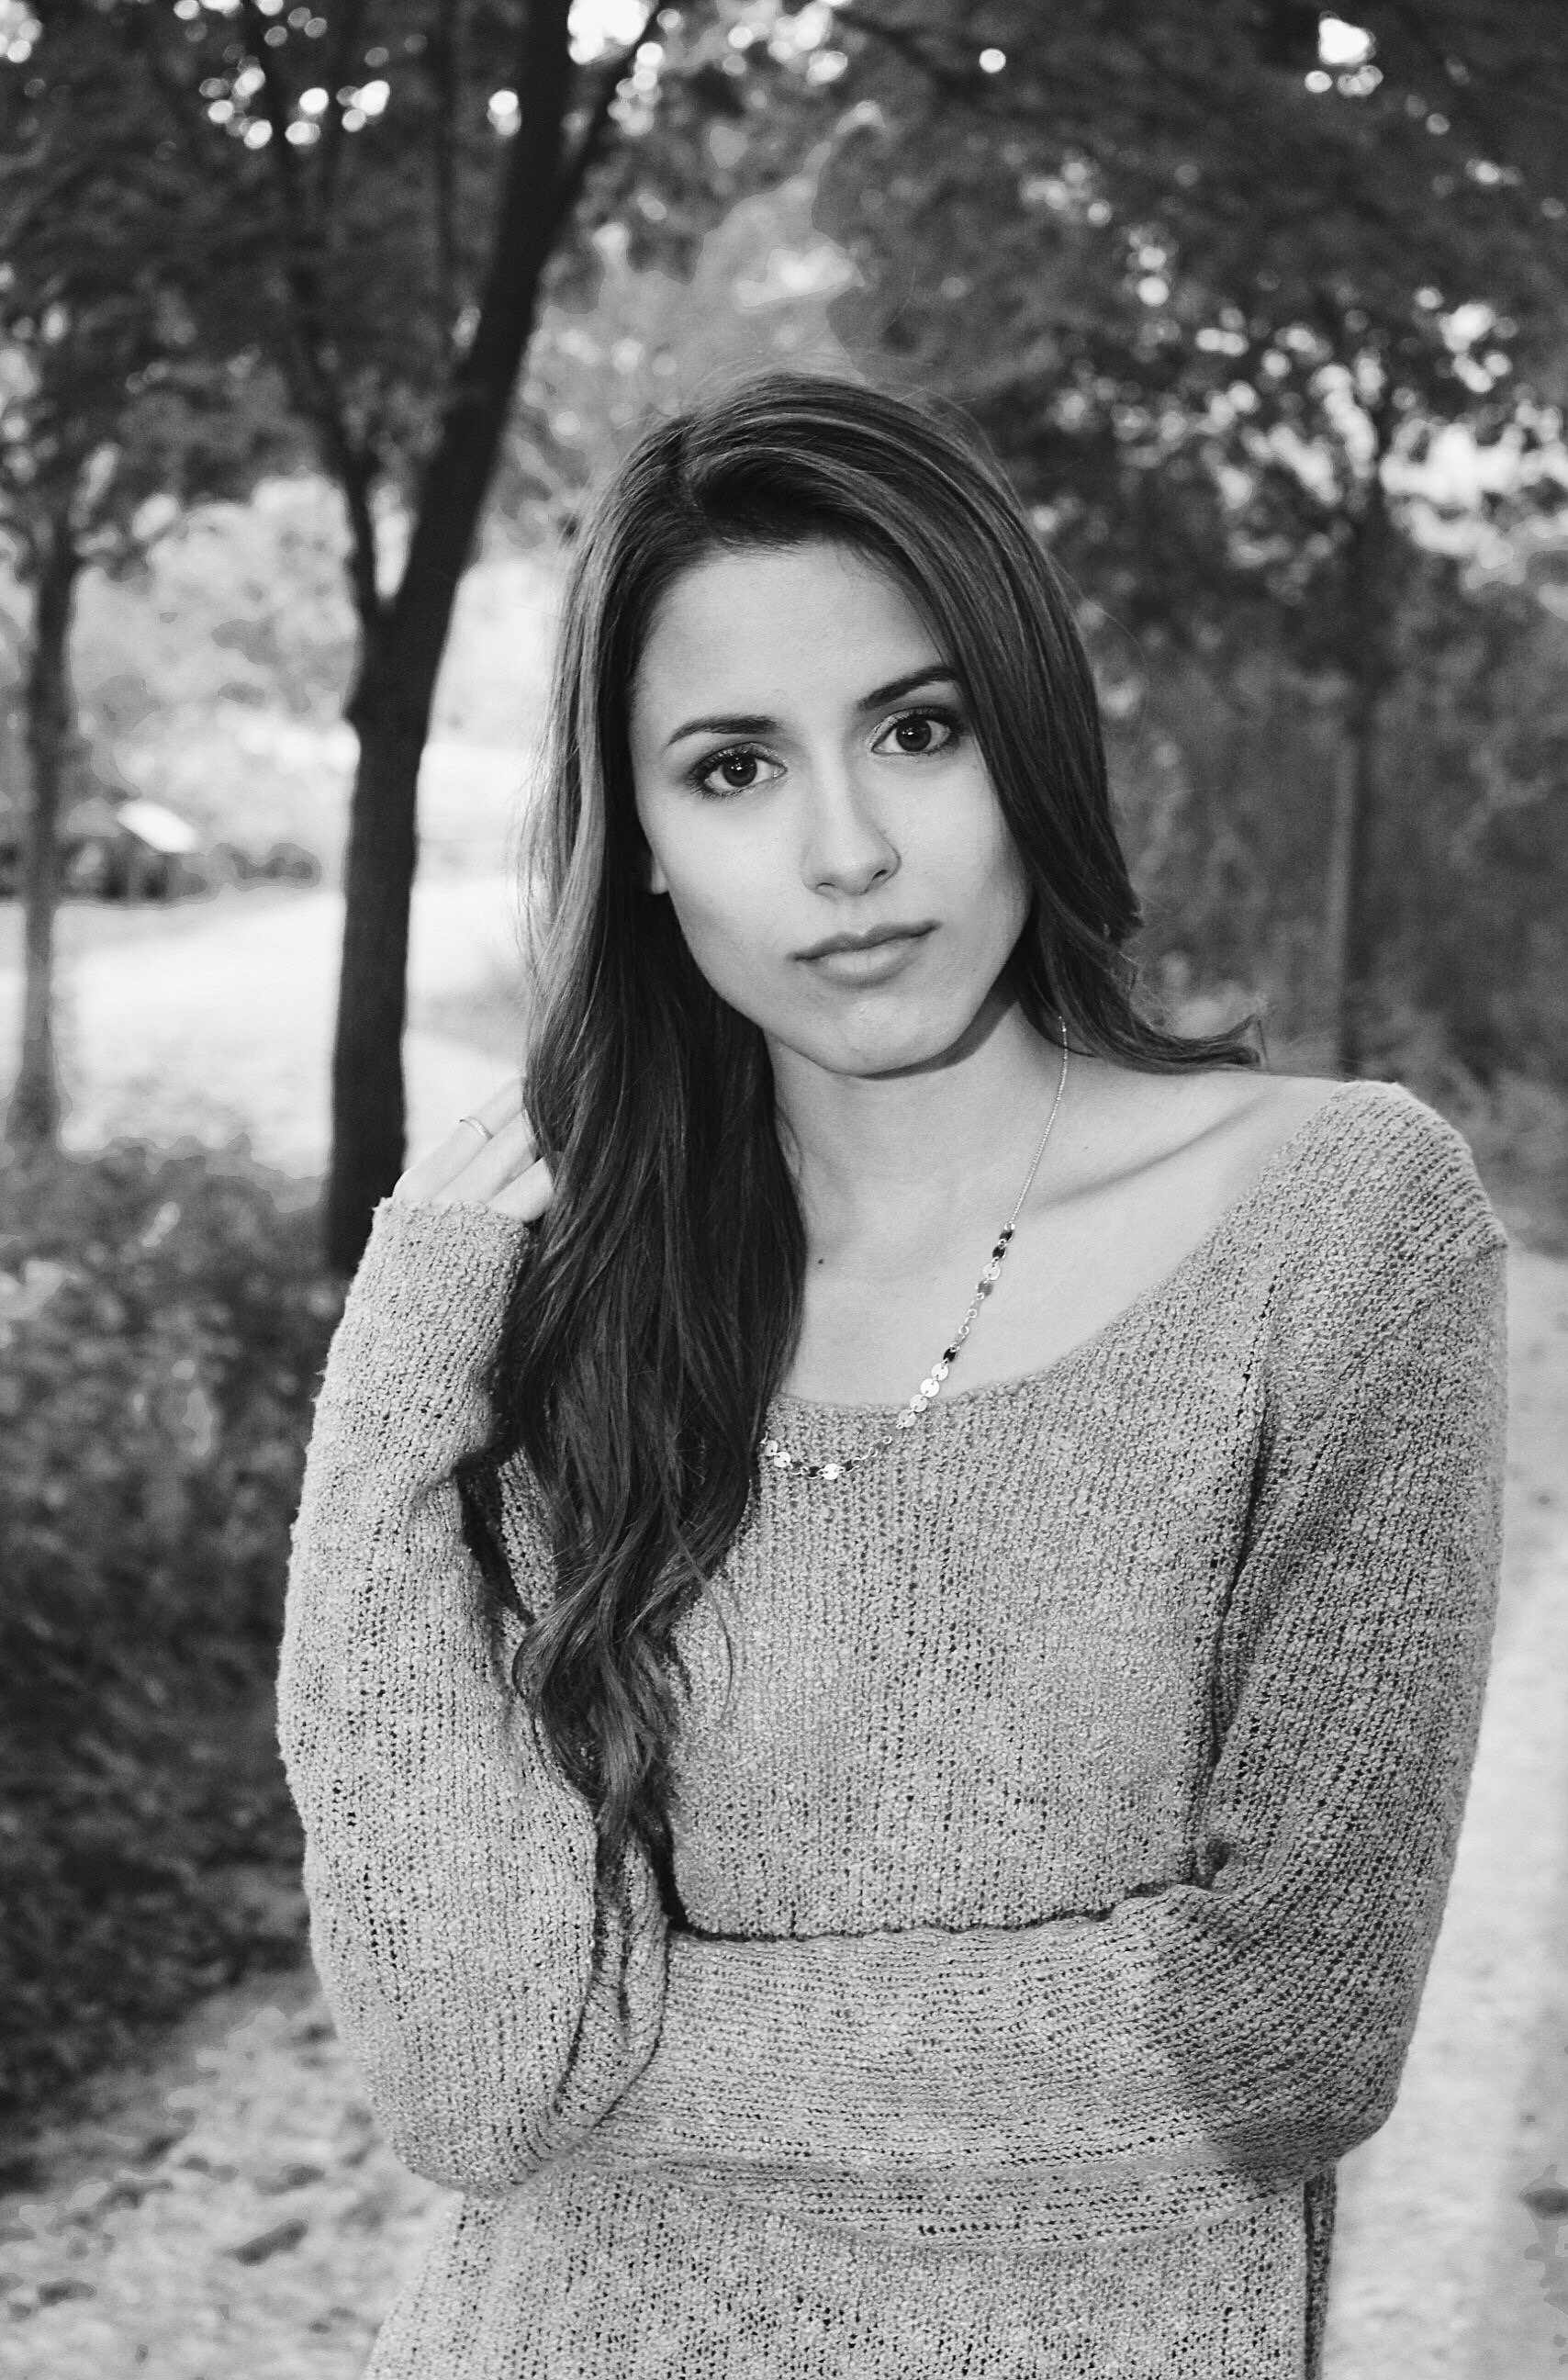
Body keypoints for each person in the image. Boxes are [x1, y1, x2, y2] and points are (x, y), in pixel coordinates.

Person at [278, 372, 1508, 2379]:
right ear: (646, 844)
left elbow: (1286, 2034)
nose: (844, 850)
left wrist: (625, 2055)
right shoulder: (558, 1293)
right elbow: (462, 2078)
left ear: (1024, 743)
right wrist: (399, 1369)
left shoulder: (1337, 1225)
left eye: (915, 731)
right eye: (732, 768)